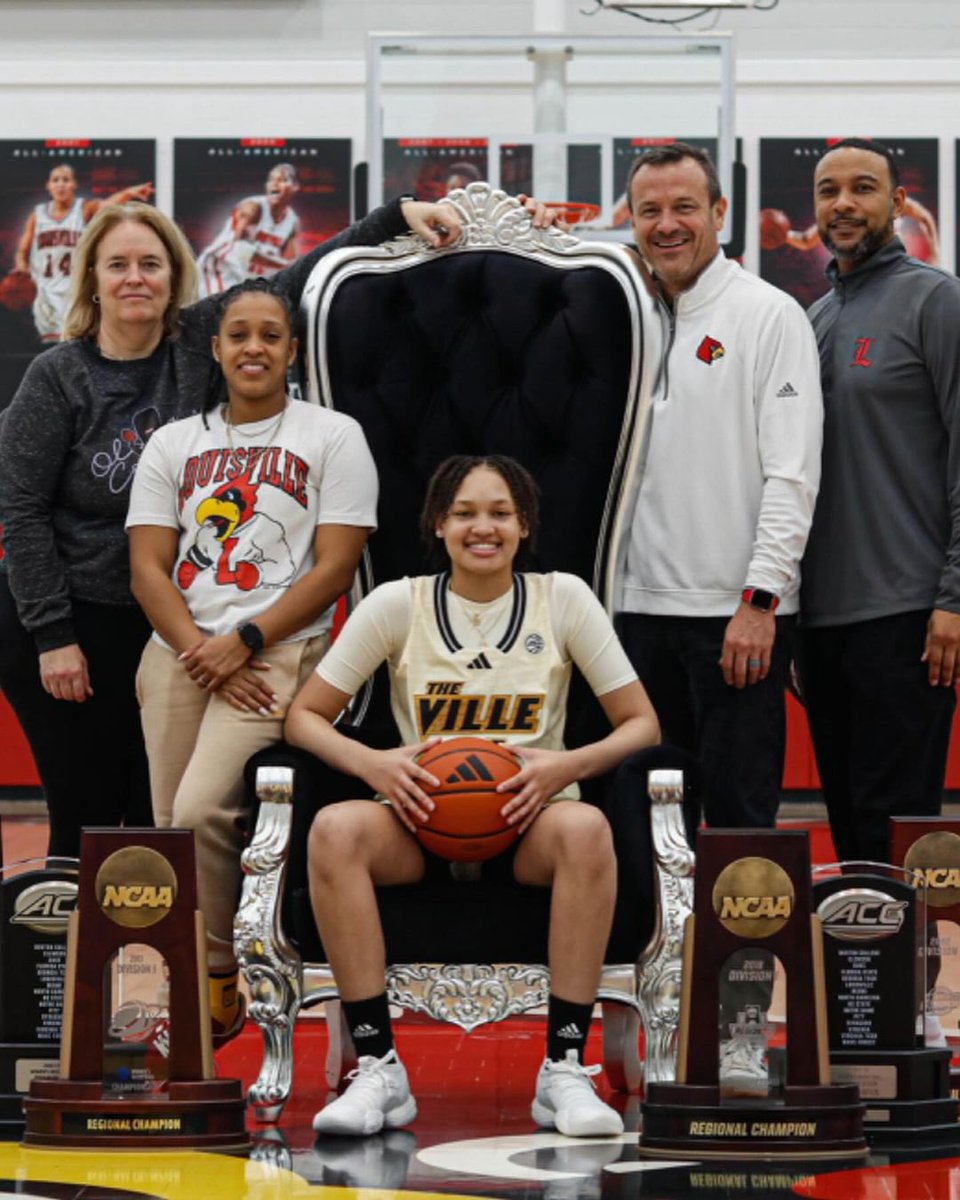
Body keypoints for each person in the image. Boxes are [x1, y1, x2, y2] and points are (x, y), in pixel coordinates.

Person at [0, 193, 464, 862]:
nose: (136, 278)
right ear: (92, 281)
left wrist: (398, 215)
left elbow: (294, 278)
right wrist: (53, 636)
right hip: (71, 619)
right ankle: (73, 964)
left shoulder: (197, 341)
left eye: (152, 264)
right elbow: (21, 508)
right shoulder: (58, 376)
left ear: (174, 278)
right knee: (85, 812)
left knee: (158, 812)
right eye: (118, 265)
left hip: (165, 619)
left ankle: (172, 959)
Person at [285, 454, 660, 1138]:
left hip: (529, 822)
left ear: (525, 527)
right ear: (437, 523)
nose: (481, 528)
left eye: (499, 513)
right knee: (335, 830)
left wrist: (560, 767)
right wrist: (375, 766)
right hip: (421, 820)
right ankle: (379, 1069)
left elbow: (642, 725)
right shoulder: (399, 603)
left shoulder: (563, 598)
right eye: (464, 513)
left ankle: (563, 1071)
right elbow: (303, 717)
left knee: (587, 830)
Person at [126, 278, 377, 1041]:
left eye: (270, 335)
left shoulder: (332, 435)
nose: (254, 348)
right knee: (170, 826)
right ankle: (178, 983)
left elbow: (334, 567)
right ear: (216, 349)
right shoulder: (175, 443)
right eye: (239, 334)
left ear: (293, 350)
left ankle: (218, 974)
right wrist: (200, 648)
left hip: (278, 655)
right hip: (181, 652)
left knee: (202, 810)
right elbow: (147, 568)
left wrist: (247, 641)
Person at [615, 142, 822, 833]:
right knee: (645, 822)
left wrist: (761, 600)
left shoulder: (769, 314)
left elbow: (792, 475)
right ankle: (655, 948)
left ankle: (743, 950)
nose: (667, 224)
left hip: (736, 618)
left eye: (684, 208)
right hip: (632, 616)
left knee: (739, 822)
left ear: (719, 213)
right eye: (650, 211)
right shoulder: (622, 317)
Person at [796, 137, 960, 866]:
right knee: (851, 836)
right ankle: (857, 983)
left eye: (863, 188)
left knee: (901, 839)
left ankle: (911, 983)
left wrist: (953, 598)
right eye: (829, 191)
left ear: (899, 202)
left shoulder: (936, 299)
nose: (844, 204)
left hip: (907, 616)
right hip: (823, 622)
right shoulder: (813, 317)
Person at [9, 163, 154, 342]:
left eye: (66, 180)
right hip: (45, 291)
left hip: (75, 290)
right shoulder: (37, 215)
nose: (60, 184)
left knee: (74, 344)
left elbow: (107, 205)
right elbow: (22, 251)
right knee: (51, 348)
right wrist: (22, 268)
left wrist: (128, 193)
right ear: (49, 185)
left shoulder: (84, 208)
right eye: (56, 180)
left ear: (74, 185)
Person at [196, 163, 301, 298]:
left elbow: (290, 264)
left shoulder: (292, 221)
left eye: (282, 180)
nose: (274, 183)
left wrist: (286, 267)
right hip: (219, 268)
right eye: (271, 179)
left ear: (295, 187)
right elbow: (240, 250)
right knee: (220, 314)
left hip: (247, 277)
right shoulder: (252, 208)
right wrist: (281, 264)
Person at [760, 194, 941, 266]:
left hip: (896, 268)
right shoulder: (837, 212)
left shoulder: (889, 202)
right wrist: (782, 235)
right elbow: (807, 240)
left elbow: (923, 216)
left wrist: (935, 254)